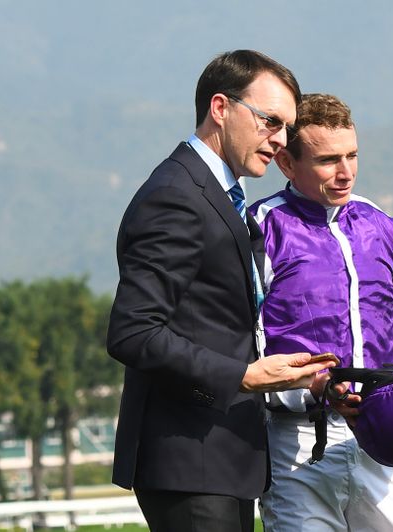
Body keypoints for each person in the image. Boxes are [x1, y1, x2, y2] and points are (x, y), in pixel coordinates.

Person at [107, 50, 336, 532]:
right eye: (271, 121)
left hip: (225, 457)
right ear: (220, 108)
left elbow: (217, 322)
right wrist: (243, 376)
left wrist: (286, 374)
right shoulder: (177, 194)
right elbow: (133, 331)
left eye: (287, 130)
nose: (279, 141)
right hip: (188, 460)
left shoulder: (219, 196)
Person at [250, 93, 393, 531]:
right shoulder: (261, 228)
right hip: (294, 444)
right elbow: (247, 344)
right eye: (328, 160)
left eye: (352, 155)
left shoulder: (384, 226)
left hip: (380, 437)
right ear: (286, 163)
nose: (346, 172)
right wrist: (311, 389)